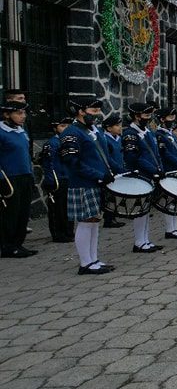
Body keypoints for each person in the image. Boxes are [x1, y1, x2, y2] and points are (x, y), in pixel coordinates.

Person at [59, 99, 113, 273]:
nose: (97, 114)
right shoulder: (72, 133)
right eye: (93, 110)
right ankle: (85, 263)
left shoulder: (92, 131)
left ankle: (94, 259)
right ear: (81, 111)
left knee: (94, 221)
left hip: (95, 181)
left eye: (98, 110)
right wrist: (98, 176)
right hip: (83, 183)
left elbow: (102, 156)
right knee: (85, 222)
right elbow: (73, 163)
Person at [123, 103, 165, 252]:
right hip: (140, 174)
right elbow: (133, 158)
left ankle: (145, 239)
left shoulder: (147, 132)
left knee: (146, 210)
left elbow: (155, 153)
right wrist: (152, 169)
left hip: (150, 173)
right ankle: (139, 242)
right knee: (140, 210)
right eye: (146, 116)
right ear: (136, 116)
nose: (148, 118)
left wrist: (159, 169)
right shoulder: (130, 134)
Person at [0, 99, 37, 258]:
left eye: (24, 113)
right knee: (11, 213)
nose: (23, 116)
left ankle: (18, 244)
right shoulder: (1, 132)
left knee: (23, 212)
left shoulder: (21, 131)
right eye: (18, 113)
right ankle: (8, 245)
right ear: (7, 114)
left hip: (25, 175)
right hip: (10, 177)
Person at [155, 107, 177, 240]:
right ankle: (170, 229)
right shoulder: (159, 135)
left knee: (176, 200)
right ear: (162, 119)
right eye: (170, 118)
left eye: (173, 117)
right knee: (170, 200)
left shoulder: (169, 134)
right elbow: (165, 154)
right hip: (169, 169)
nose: (173, 120)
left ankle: (175, 228)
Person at [39, 117, 73, 242]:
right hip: (57, 179)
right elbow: (48, 163)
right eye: (62, 126)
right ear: (55, 128)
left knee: (67, 208)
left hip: (68, 177)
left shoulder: (69, 141)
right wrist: (51, 181)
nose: (66, 129)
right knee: (57, 209)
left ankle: (69, 232)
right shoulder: (52, 143)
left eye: (68, 126)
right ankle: (59, 234)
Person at [99, 114, 127, 228]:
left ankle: (114, 216)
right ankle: (109, 219)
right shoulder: (105, 139)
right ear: (109, 128)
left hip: (119, 170)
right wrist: (118, 168)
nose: (119, 127)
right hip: (110, 170)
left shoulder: (119, 138)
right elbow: (108, 158)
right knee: (109, 195)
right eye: (116, 125)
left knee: (115, 195)